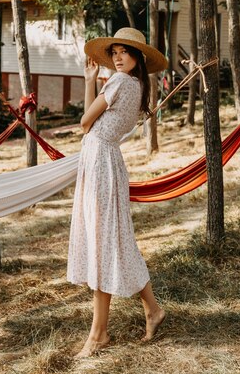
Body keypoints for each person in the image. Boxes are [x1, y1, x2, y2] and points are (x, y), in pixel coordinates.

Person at [67, 28, 168, 358]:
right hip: (105, 159)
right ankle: (152, 310)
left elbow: (84, 123)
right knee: (115, 241)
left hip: (100, 162)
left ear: (138, 57)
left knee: (102, 244)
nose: (118, 57)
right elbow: (91, 125)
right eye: (114, 53)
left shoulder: (121, 82)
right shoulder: (136, 86)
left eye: (125, 52)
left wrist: (94, 86)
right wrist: (89, 81)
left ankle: (98, 335)